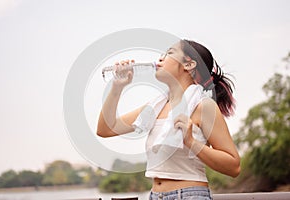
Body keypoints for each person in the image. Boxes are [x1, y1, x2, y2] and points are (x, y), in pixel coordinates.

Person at [97, 39, 241, 200]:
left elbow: (233, 166)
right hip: (155, 196)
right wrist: (117, 87)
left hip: (189, 195)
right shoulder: (155, 107)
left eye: (169, 53)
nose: (160, 58)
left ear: (189, 65)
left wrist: (192, 142)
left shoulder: (203, 107)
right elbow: (105, 129)